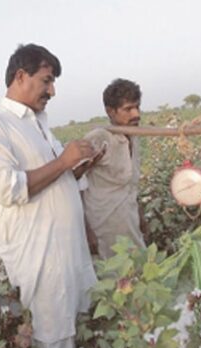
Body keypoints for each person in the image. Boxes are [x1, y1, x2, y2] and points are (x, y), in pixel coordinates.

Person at [0, 44, 100, 348]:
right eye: (46, 81)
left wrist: (79, 167)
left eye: (54, 82)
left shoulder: (40, 124)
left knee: (77, 321)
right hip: (36, 254)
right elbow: (9, 188)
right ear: (20, 76)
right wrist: (63, 162)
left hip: (67, 249)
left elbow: (54, 177)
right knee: (51, 331)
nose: (52, 91)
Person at [81, 78, 148, 258]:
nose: (136, 114)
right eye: (128, 109)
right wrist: (86, 231)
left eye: (137, 107)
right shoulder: (99, 138)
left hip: (129, 219)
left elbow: (130, 185)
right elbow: (73, 182)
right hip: (103, 225)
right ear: (111, 111)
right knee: (113, 276)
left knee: (138, 272)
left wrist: (140, 215)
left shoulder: (133, 136)